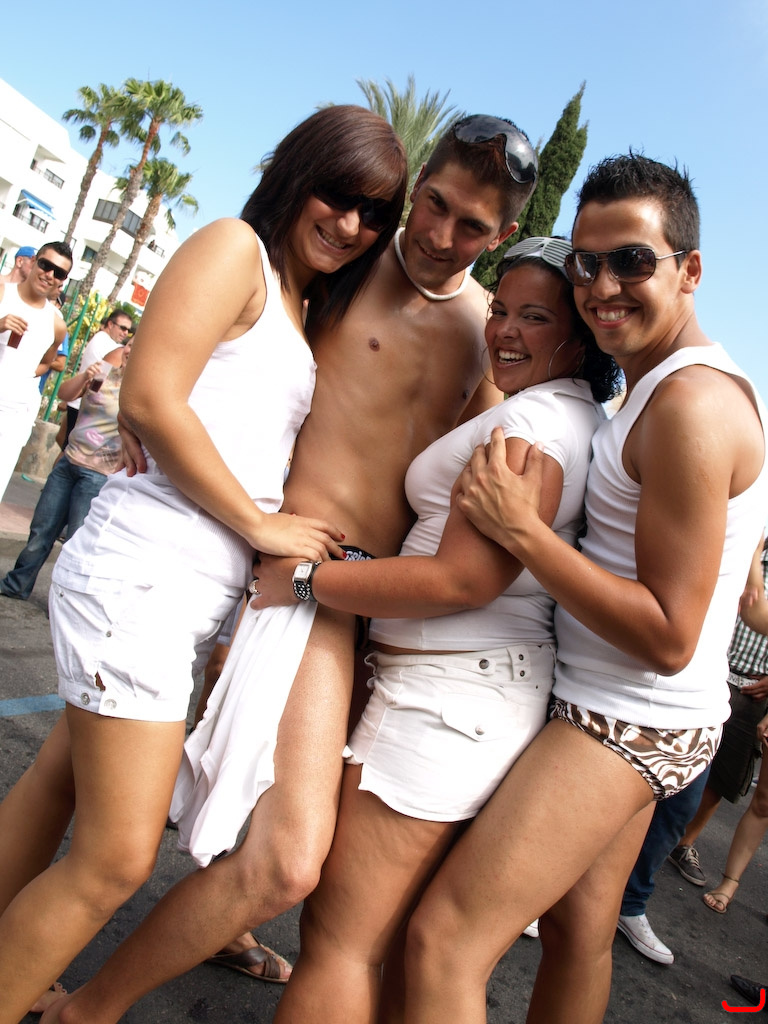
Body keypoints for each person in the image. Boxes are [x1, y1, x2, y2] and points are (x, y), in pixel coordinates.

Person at [39, 114, 538, 1024]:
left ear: (501, 236)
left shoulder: (483, 331)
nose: (439, 234)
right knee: (259, 849)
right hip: (288, 581)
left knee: (93, 789)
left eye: (471, 226)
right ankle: (91, 1002)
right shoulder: (346, 268)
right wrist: (147, 414)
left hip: (367, 602)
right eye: (431, 205)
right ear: (415, 189)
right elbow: (225, 338)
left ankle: (164, 939)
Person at [0, 103, 407, 1024]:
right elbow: (151, 395)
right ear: (297, 173)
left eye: (374, 213)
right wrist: (262, 524)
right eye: (338, 195)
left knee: (58, 781)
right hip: (142, 577)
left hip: (175, 594)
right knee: (115, 858)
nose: (350, 224)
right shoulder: (235, 248)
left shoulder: (305, 299)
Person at [391, 153, 768, 1024]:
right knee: (578, 936)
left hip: (624, 715)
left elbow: (669, 633)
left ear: (690, 270)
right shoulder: (660, 387)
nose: (602, 286)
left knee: (445, 941)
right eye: (588, 263)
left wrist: (523, 534)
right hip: (660, 717)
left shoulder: (690, 405)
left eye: (632, 260)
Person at [245, 236, 620, 1024]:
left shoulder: (532, 425)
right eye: (501, 310)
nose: (504, 331)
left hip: (440, 704)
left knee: (340, 944)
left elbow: (462, 579)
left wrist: (307, 581)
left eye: (534, 317)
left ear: (581, 333)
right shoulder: (574, 418)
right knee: (381, 951)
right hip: (472, 698)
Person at [617, 535, 768, 961]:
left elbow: (755, 609)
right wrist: (753, 560)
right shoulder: (745, 527)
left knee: (682, 803)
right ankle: (546, 893)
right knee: (617, 795)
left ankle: (630, 904)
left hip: (709, 692)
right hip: (654, 669)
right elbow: (752, 607)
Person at [0, 343, 131, 601]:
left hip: (97, 475)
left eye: (136, 348)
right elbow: (64, 394)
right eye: (128, 346)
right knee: (41, 530)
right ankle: (16, 584)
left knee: (75, 542)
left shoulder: (138, 394)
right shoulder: (104, 373)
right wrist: (84, 378)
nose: (128, 351)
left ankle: (63, 602)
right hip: (68, 462)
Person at [0, 241, 72, 500]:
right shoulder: (2, 292)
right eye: (45, 265)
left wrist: (22, 374)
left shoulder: (57, 324)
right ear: (33, 262)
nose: (50, 275)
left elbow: (46, 363)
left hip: (14, 417)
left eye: (59, 273)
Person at [63, 309, 134, 438]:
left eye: (128, 330)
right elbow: (65, 393)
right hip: (84, 406)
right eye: (123, 328)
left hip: (82, 406)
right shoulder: (110, 347)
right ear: (110, 324)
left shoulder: (101, 339)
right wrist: (83, 380)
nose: (125, 333)